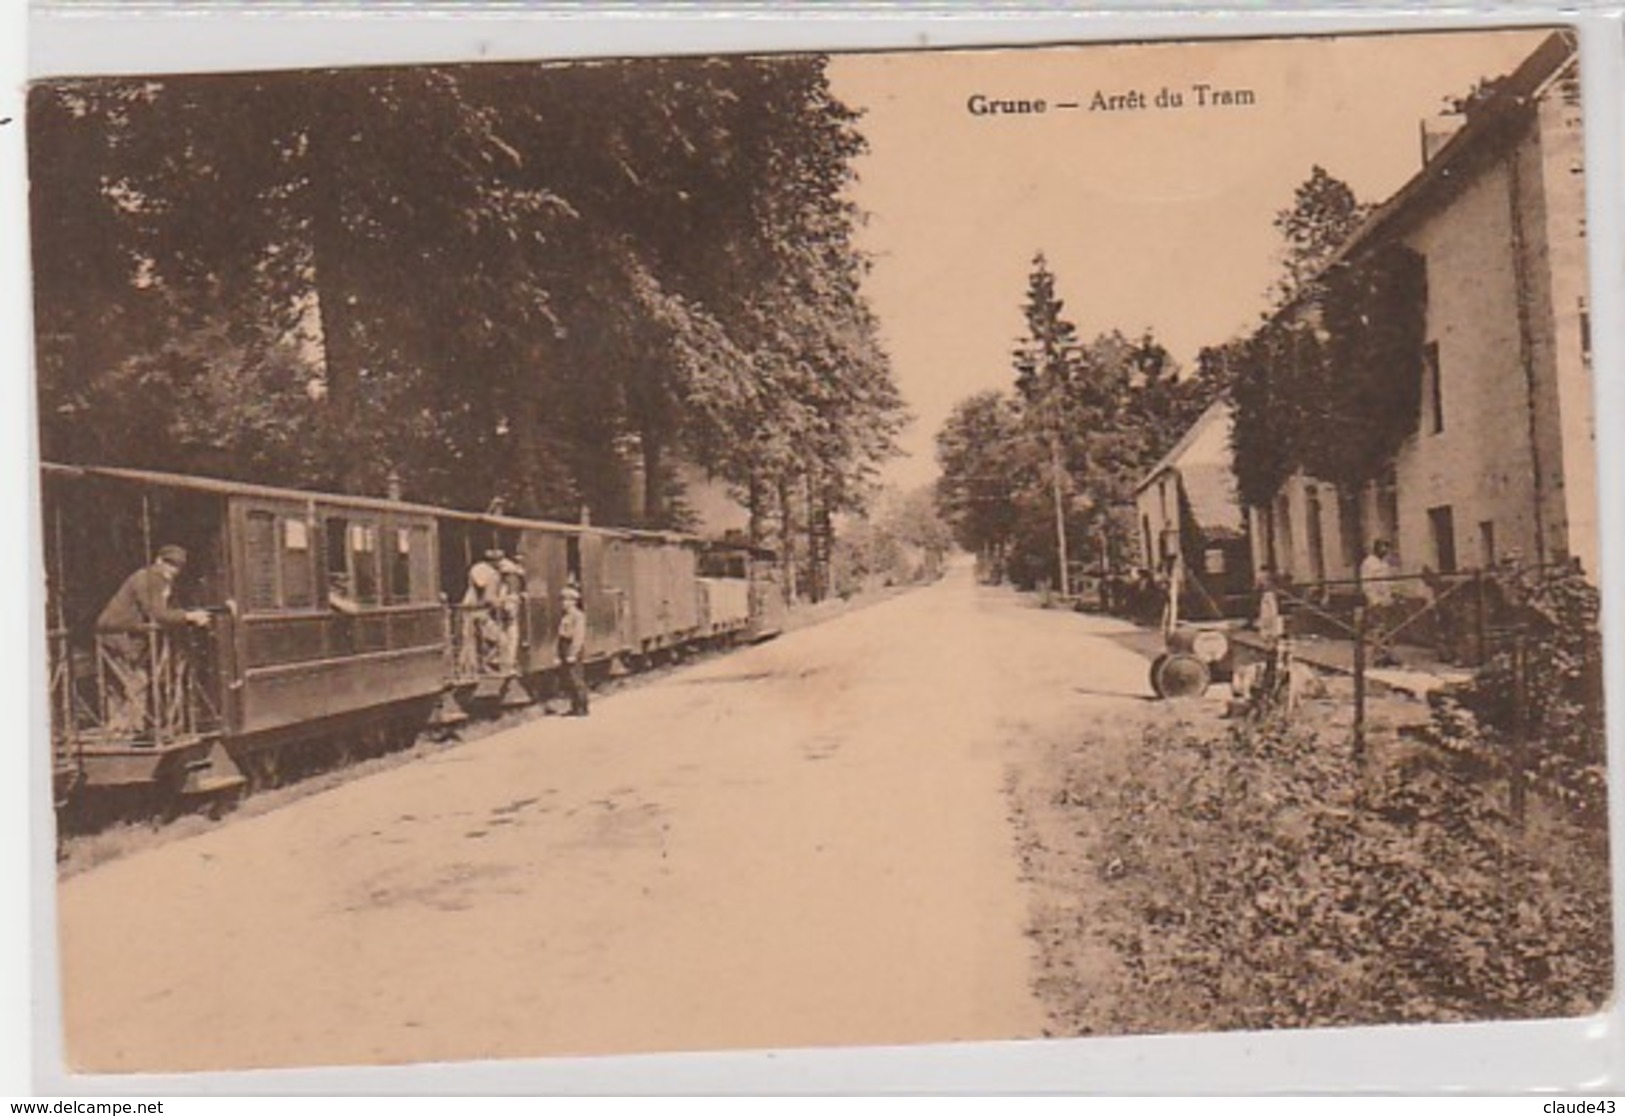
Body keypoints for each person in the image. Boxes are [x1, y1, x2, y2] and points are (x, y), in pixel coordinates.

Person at [95, 544, 211, 738]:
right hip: (116, 634)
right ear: (159, 561)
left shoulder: (158, 580)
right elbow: (157, 614)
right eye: (170, 564)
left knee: (135, 680)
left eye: (178, 566)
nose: (173, 570)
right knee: (137, 680)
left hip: (126, 634)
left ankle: (128, 727)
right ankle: (124, 730)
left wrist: (185, 615)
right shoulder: (149, 578)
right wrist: (189, 617)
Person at [1359, 539, 1402, 666]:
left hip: (1387, 600)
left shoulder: (1384, 563)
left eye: (1387, 548)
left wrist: (1394, 594)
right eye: (1383, 548)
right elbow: (1367, 584)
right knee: (1378, 629)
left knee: (1390, 629)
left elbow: (1388, 582)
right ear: (1376, 548)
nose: (1386, 551)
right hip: (1376, 601)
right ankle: (1378, 657)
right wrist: (1374, 600)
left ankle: (1389, 655)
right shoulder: (1369, 563)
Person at [463, 548, 506, 672]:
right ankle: (487, 663)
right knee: (501, 640)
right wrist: (501, 602)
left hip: (468, 608)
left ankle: (473, 667)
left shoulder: (476, 568)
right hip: (480, 611)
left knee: (470, 642)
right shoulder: (493, 574)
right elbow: (489, 597)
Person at [556, 585, 589, 716]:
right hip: (564, 646)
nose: (564, 603)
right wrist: (558, 654)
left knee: (576, 679)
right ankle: (574, 707)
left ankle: (582, 708)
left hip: (572, 648)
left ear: (573, 601)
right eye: (563, 600)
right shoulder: (566, 616)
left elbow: (578, 636)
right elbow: (560, 636)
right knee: (569, 679)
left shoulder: (578, 616)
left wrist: (573, 653)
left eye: (566, 600)